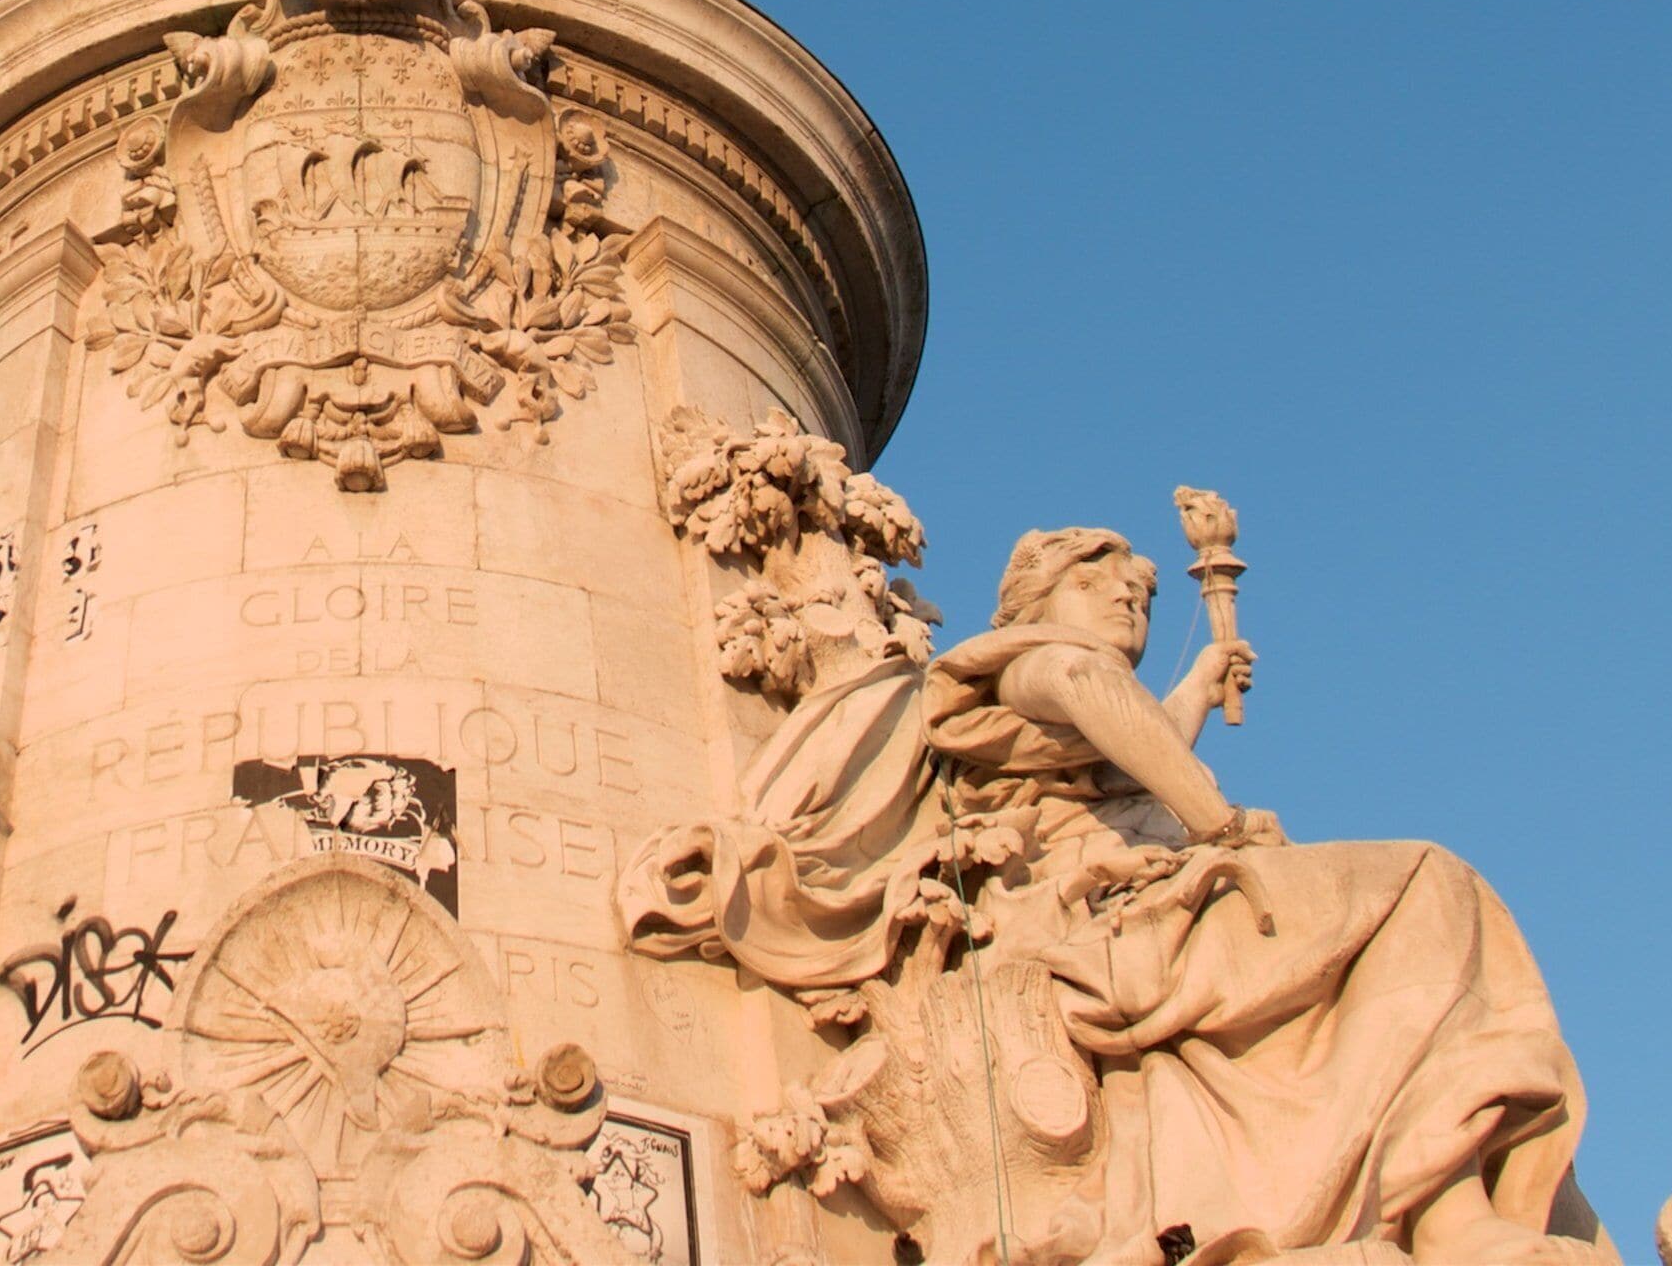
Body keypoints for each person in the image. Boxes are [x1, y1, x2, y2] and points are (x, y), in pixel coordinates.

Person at [632, 528, 1608, 1266]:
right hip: (1078, 929)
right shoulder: (1022, 666)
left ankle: (1445, 1204)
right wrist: (1218, 821)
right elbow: (1093, 700)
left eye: (1142, 596)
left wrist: (1191, 692)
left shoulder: (1050, 690)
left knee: (1419, 903)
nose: (1132, 607)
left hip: (1137, 911)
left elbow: (1120, 744)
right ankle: (1444, 1206)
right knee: (1422, 887)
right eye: (1109, 588)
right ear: (1048, 594)